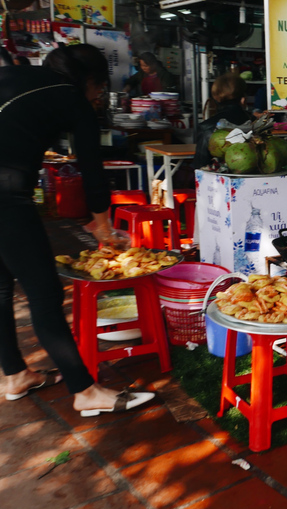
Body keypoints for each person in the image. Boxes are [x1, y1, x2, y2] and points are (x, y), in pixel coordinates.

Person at [0, 44, 154, 415]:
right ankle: (84, 391)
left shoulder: (14, 77)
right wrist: (103, 227)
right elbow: (92, 170)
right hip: (5, 197)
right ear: (90, 82)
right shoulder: (72, 98)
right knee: (45, 292)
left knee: (2, 286)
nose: (99, 97)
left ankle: (14, 375)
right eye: (100, 89)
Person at [191, 73, 252, 170]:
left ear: (215, 98)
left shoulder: (206, 127)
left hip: (218, 181)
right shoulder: (257, 123)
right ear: (243, 99)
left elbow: (200, 165)